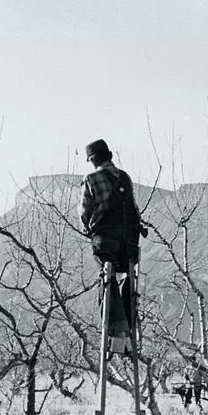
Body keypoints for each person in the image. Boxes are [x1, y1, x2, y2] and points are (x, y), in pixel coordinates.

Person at [80, 139, 146, 355]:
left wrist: (88, 229)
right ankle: (130, 334)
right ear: (109, 155)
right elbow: (133, 207)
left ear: (92, 160)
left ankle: (118, 334)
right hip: (129, 241)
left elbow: (84, 213)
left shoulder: (91, 178)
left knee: (106, 281)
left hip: (106, 240)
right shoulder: (125, 177)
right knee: (127, 280)